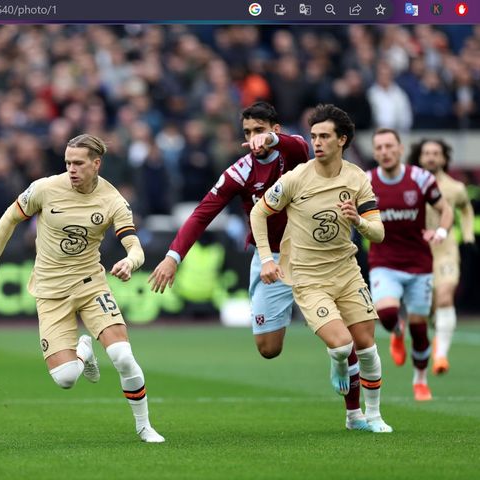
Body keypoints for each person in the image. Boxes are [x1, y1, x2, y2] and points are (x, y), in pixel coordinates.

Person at [0, 133, 164, 443]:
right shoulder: (45, 188)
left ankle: (144, 426)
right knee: (65, 379)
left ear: (96, 164)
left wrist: (130, 262)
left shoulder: (113, 200)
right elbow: (10, 218)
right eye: (67, 163)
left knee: (123, 356)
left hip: (91, 285)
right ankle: (84, 351)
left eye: (78, 163)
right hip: (50, 292)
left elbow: (135, 246)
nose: (71, 169)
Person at [250, 104, 392, 433]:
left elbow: (379, 232)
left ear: (342, 140)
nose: (317, 142)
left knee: (368, 349)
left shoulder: (358, 179)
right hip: (308, 278)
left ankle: (371, 416)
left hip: (346, 272)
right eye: (313, 136)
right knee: (342, 345)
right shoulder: (297, 178)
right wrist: (267, 258)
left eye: (324, 136)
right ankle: (339, 362)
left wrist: (359, 221)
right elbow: (259, 212)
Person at [148, 102, 309, 358]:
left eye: (260, 130)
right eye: (247, 132)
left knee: (334, 329)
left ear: (275, 129)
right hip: (272, 259)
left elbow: (301, 147)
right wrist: (172, 257)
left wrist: (272, 139)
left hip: (311, 252)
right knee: (268, 348)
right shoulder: (240, 171)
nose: (253, 137)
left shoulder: (292, 153)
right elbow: (202, 215)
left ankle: (342, 358)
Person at [368, 129, 453, 401]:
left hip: (419, 263)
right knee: (388, 314)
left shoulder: (420, 178)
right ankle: (395, 331)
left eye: (389, 146)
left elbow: (446, 209)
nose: (385, 151)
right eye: (379, 147)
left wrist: (440, 233)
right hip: (384, 261)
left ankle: (420, 380)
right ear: (374, 152)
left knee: (419, 329)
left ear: (400, 149)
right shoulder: (366, 182)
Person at [408, 138, 475, 375]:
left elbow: (467, 210)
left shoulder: (455, 188)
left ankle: (440, 355)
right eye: (427, 153)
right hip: (417, 252)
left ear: (444, 158)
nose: (431, 157)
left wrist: (467, 235)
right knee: (425, 308)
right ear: (420, 157)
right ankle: (433, 332)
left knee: (446, 297)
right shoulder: (409, 183)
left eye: (436, 153)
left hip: (445, 250)